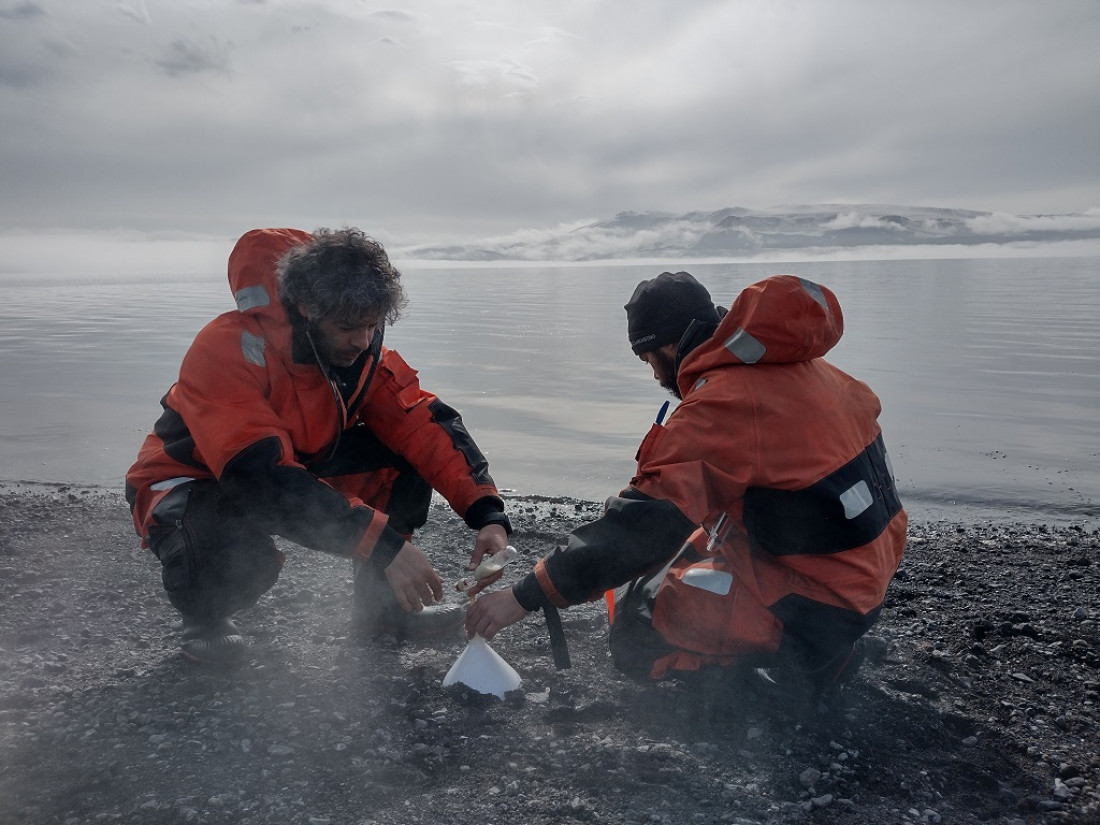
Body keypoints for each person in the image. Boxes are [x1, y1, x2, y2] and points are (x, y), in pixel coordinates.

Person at [466, 272, 906, 697]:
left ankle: (794, 670)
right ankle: (816, 641)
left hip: (816, 600)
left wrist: (523, 597)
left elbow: (637, 532)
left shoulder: (722, 404)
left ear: (670, 346)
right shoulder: (813, 371)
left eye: (650, 360)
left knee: (636, 628)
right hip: (860, 572)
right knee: (674, 560)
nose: (657, 377)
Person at [126, 227, 511, 665]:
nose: (362, 341)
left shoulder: (358, 355)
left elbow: (423, 425)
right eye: (349, 327)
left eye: (372, 325)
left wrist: (488, 514)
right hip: (192, 481)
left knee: (405, 456)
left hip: (295, 464)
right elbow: (258, 475)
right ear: (306, 308)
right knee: (235, 560)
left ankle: (381, 612)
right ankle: (205, 618)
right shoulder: (226, 349)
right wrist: (383, 544)